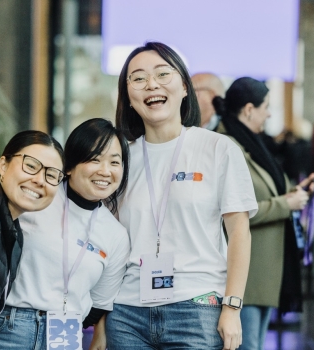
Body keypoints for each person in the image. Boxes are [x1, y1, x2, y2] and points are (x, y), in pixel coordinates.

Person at [105, 42, 258, 350]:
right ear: (129, 97)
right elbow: (111, 241)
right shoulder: (120, 159)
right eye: (138, 78)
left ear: (186, 87)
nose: (152, 84)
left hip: (198, 306)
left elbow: (239, 232)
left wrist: (232, 306)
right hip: (126, 313)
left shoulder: (218, 148)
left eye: (163, 73)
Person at [0, 118, 130, 350]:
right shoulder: (35, 197)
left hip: (65, 336)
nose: (105, 171)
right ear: (69, 166)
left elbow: (101, 302)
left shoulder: (116, 234)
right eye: (94, 159)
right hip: (9, 328)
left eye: (115, 162)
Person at [212, 77, 314, 350]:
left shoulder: (254, 145)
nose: (269, 113)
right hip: (246, 274)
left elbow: (268, 192)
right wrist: (286, 204)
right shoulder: (227, 146)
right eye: (266, 107)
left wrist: (295, 192)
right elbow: (237, 211)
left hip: (265, 272)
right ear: (249, 109)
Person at [0, 130, 65, 350]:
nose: (39, 180)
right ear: (3, 165)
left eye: (51, 175)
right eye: (31, 166)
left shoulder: (10, 227)